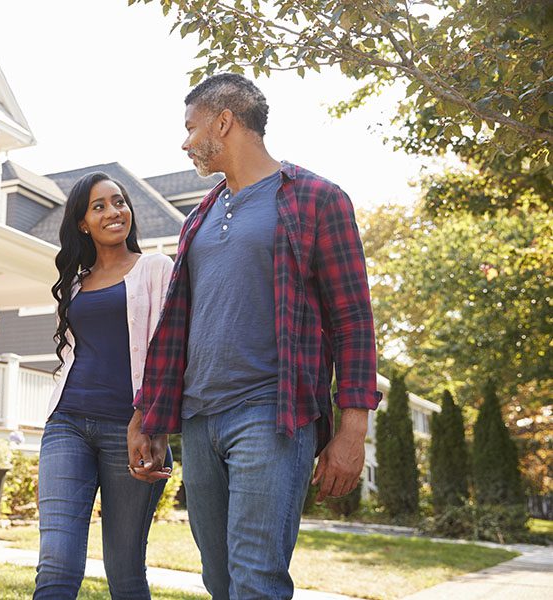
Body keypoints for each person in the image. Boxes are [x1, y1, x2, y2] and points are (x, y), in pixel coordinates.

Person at [128, 73, 382, 599]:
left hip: (272, 412)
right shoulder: (198, 215)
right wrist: (149, 414)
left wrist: (352, 428)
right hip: (199, 418)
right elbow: (177, 326)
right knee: (219, 579)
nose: (185, 142)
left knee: (256, 578)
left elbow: (353, 319)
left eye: (191, 127)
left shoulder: (316, 199)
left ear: (224, 122)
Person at [35, 171, 173, 599]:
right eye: (99, 206)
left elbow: (172, 352)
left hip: (131, 430)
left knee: (125, 569)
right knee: (56, 563)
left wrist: (152, 425)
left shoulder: (155, 268)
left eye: (119, 202)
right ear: (82, 222)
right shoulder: (74, 284)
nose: (114, 211)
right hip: (68, 424)